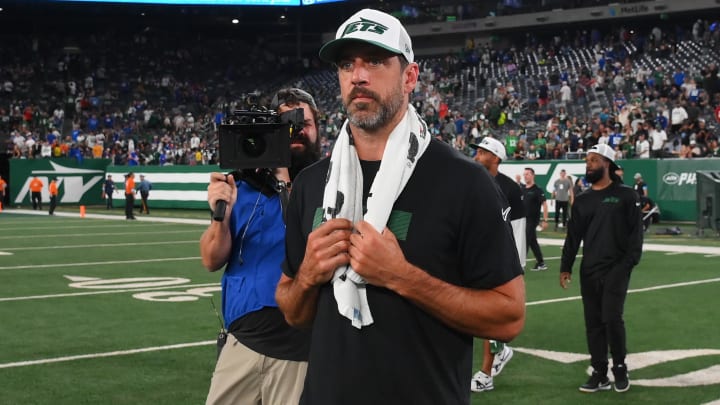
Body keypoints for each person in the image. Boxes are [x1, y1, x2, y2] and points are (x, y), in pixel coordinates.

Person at [275, 9, 525, 405]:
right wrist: (307, 275)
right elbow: (293, 312)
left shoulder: (464, 182)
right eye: (346, 64)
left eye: (374, 61)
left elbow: (509, 317)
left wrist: (401, 276)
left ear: (410, 77)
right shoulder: (310, 184)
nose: (358, 75)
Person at [200, 87, 321, 405]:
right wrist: (220, 214)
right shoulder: (241, 187)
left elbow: (305, 236)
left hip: (300, 345)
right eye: (287, 126)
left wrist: (283, 176)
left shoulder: (330, 184)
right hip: (243, 340)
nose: (296, 132)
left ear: (319, 131)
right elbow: (211, 259)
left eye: (304, 124)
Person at [559, 143, 643, 393]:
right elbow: (573, 237)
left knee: (612, 318)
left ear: (607, 163)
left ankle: (619, 368)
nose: (589, 165)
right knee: (593, 322)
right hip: (590, 270)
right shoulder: (583, 200)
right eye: (587, 161)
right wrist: (566, 266)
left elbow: (635, 236)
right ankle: (599, 372)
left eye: (594, 160)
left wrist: (627, 265)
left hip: (617, 268)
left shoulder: (627, 195)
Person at [469, 136, 527, 393]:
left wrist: (516, 266)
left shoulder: (510, 189)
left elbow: (518, 229)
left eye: (482, 152)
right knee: (475, 314)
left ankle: (486, 372)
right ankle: (499, 351)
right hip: (474, 256)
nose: (476, 157)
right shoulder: (471, 182)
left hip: (500, 261)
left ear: (495, 158)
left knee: (492, 317)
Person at [522, 167, 549, 271]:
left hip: (532, 220)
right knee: (533, 241)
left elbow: (545, 205)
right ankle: (541, 263)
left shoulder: (537, 190)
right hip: (523, 220)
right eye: (524, 174)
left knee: (525, 241)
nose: (525, 176)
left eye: (527, 174)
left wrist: (545, 220)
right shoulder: (523, 189)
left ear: (533, 175)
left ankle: (520, 265)